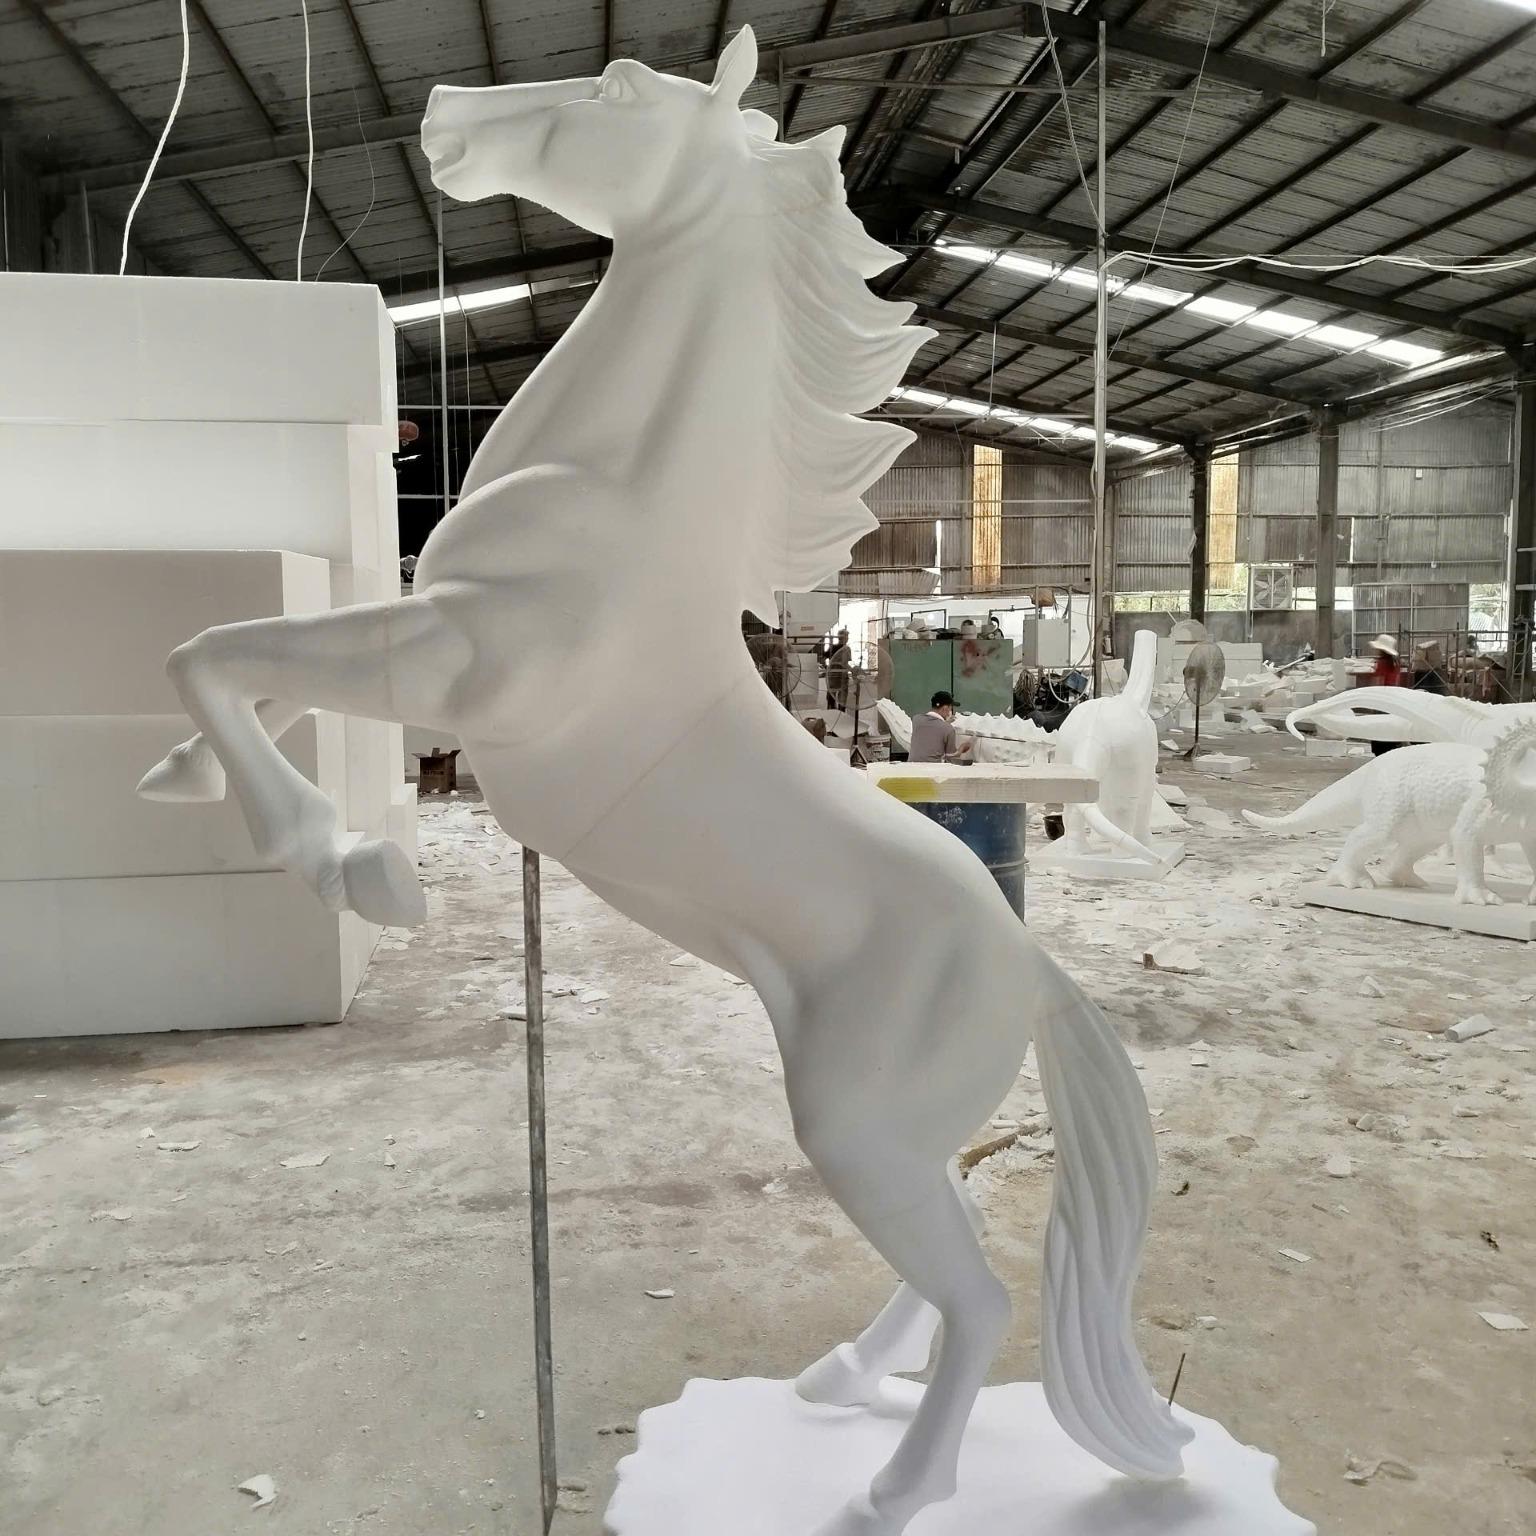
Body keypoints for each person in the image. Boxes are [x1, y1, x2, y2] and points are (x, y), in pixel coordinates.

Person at [908, 690, 975, 764]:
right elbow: (951, 758)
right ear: (945, 708)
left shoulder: (916, 720)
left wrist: (944, 723)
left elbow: (932, 728)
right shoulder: (948, 729)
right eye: (950, 709)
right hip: (933, 769)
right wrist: (961, 749)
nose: (950, 712)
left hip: (912, 767)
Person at [824, 627, 851, 712]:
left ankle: (831, 713)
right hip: (841, 676)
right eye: (847, 636)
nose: (847, 638)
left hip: (832, 675)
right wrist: (853, 670)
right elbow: (845, 663)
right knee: (842, 700)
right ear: (843, 637)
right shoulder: (846, 649)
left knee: (831, 697)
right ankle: (840, 714)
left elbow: (823, 657)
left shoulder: (832, 647)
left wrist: (826, 668)